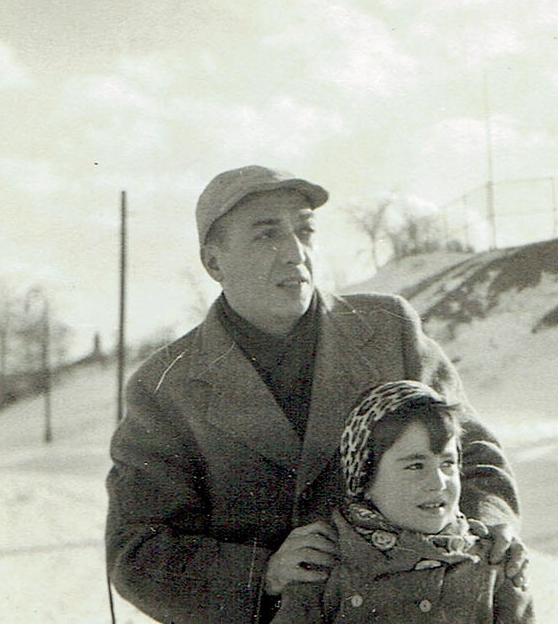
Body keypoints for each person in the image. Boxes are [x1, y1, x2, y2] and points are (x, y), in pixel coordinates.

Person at [105, 165, 525, 623]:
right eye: (267, 235)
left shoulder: (389, 331)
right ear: (214, 262)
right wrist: (263, 573)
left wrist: (492, 526)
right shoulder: (166, 385)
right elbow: (138, 551)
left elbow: (474, 454)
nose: (295, 252)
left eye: (304, 230)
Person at [271, 380, 534, 623]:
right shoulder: (327, 562)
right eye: (415, 466)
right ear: (366, 479)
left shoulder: (490, 567)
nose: (438, 482)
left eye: (447, 464)